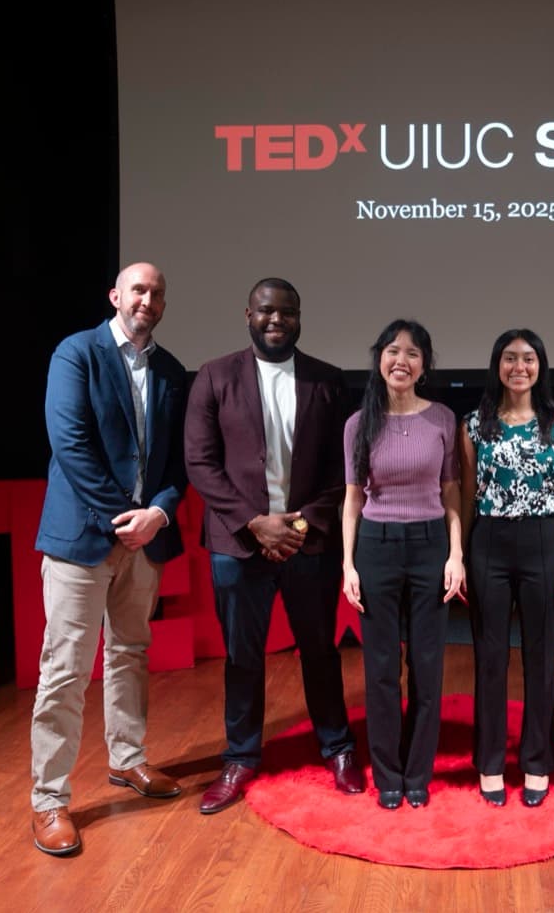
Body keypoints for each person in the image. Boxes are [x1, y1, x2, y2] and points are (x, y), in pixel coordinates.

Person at [184, 277, 363, 814]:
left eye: (287, 311)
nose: (276, 320)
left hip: (308, 544)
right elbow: (200, 462)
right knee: (243, 656)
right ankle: (240, 757)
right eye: (266, 311)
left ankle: (338, 748)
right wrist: (254, 524)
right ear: (248, 315)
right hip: (238, 546)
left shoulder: (327, 381)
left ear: (299, 317)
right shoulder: (215, 377)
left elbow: (343, 469)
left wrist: (299, 527)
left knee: (320, 651)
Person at [30, 262, 188, 856]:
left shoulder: (172, 372)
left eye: (157, 293)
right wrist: (126, 517)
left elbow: (177, 466)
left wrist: (158, 515)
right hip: (84, 539)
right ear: (116, 296)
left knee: (130, 654)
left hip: (144, 540)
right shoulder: (77, 353)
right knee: (66, 669)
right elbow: (69, 442)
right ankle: (49, 800)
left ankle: (127, 760)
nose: (147, 300)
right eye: (138, 290)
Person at [341, 320, 465, 810]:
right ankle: (388, 774)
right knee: (381, 670)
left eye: (413, 354)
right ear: (379, 358)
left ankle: (419, 773)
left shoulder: (443, 419)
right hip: (376, 546)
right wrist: (348, 565)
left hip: (431, 544)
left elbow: (452, 490)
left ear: (424, 365)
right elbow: (352, 499)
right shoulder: (359, 423)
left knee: (428, 668)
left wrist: (455, 554)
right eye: (393, 351)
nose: (402, 361)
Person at [460, 329, 554, 807]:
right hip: (488, 539)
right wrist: (461, 554)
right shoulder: (474, 424)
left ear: (540, 365)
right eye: (509, 359)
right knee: (490, 657)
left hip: (543, 541)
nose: (519, 367)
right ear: (497, 365)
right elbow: (467, 495)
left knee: (540, 656)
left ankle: (536, 760)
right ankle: (490, 761)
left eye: (528, 359)